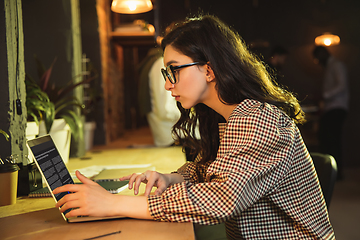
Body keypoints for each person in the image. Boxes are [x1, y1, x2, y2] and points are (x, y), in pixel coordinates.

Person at [54, 15, 335, 239]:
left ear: (209, 70)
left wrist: (113, 204)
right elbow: (208, 168)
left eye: (174, 70)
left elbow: (220, 200)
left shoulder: (260, 119)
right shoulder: (226, 117)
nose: (167, 83)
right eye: (166, 73)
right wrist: (172, 179)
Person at [313, 46, 349, 180]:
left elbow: (342, 85)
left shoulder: (337, 65)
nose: (317, 61)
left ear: (322, 54)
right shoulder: (329, 67)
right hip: (330, 108)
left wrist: (324, 95)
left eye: (317, 58)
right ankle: (330, 172)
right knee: (327, 139)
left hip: (337, 108)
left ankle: (335, 173)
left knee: (332, 140)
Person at [138, 42, 180, 147]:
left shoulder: (153, 60)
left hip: (168, 133)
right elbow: (165, 110)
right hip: (171, 136)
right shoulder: (160, 63)